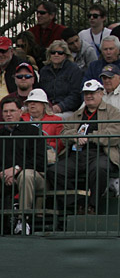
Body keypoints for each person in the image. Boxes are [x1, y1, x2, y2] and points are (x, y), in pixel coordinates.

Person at [48, 80, 120, 214]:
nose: (89, 96)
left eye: (92, 93)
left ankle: (93, 206)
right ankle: (77, 204)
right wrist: (74, 136)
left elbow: (115, 133)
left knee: (100, 168)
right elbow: (64, 131)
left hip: (101, 153)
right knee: (54, 171)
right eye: (86, 93)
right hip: (77, 155)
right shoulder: (78, 114)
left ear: (101, 93)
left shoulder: (113, 112)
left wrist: (91, 137)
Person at [0, 96, 48, 234]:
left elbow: (40, 162)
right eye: (5, 112)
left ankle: (22, 221)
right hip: (5, 179)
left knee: (26, 175)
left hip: (35, 177)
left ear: (20, 112)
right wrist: (2, 172)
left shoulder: (33, 132)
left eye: (12, 111)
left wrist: (16, 169)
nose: (9, 114)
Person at [38, 41, 83, 118]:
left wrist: (61, 106)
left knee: (53, 119)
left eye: (60, 53)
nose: (56, 55)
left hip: (68, 110)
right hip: (47, 108)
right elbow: (40, 92)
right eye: (53, 52)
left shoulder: (74, 70)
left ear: (65, 55)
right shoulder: (44, 71)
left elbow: (76, 95)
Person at [22, 88, 64, 163]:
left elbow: (60, 143)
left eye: (36, 101)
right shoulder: (21, 119)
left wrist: (43, 145)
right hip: (24, 155)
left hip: (47, 156)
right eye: (29, 102)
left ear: (44, 105)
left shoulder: (56, 120)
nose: (32, 104)